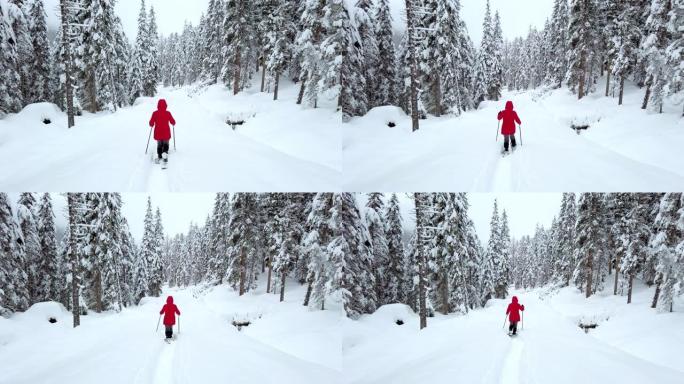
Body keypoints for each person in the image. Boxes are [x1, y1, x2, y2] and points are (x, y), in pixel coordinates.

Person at [149, 99, 176, 165]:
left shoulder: (155, 113)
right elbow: (173, 121)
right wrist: (173, 123)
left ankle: (160, 156)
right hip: (166, 132)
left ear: (158, 105)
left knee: (159, 144)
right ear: (165, 105)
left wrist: (152, 124)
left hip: (158, 132)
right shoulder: (168, 113)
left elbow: (151, 123)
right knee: (166, 144)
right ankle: (165, 154)